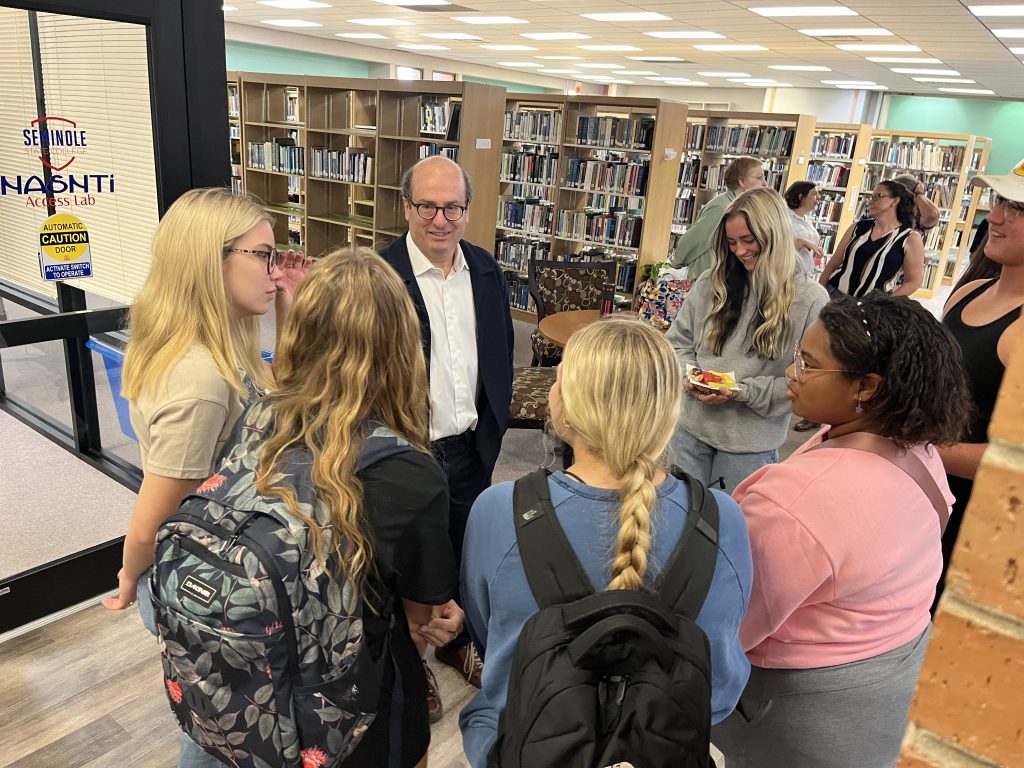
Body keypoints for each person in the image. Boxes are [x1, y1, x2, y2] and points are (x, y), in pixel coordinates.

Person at [459, 318, 753, 767]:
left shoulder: (499, 511)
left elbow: (488, 636)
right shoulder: (722, 519)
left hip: (523, 746)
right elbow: (722, 687)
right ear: (669, 412)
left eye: (559, 379)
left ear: (564, 409)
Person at [713, 293, 971, 768]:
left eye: (808, 365)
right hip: (898, 674)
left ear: (867, 387)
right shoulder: (919, 451)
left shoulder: (795, 502)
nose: (792, 373)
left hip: (806, 713)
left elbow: (731, 624)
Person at [102, 188, 308, 765]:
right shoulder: (198, 379)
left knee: (218, 723)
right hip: (206, 582)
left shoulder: (225, 347)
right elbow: (153, 518)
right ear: (209, 260)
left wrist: (287, 309)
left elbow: (277, 400)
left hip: (221, 568)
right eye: (262, 255)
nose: (275, 270)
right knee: (223, 737)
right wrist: (126, 581)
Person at [248, 247, 461, 768]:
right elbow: (419, 621)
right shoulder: (411, 473)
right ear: (403, 346)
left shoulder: (259, 418)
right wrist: (444, 619)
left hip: (264, 684)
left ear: (302, 334)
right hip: (359, 704)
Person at [379, 155, 515, 716]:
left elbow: (501, 348)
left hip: (469, 445)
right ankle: (408, 664)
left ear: (467, 208)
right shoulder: (380, 274)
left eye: (453, 206)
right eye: (427, 206)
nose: (441, 219)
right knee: (400, 564)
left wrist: (495, 424)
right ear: (406, 207)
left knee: (460, 547)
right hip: (403, 449)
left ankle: (456, 642)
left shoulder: (484, 269)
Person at [666, 187, 829, 492]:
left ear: (775, 235)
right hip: (689, 431)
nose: (739, 251)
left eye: (748, 240)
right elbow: (677, 343)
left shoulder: (809, 299)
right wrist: (689, 375)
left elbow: (807, 380)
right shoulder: (710, 283)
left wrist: (742, 391)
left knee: (729, 531)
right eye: (731, 243)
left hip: (748, 445)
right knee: (680, 522)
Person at [937, 159, 1024, 608]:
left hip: (978, 525)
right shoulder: (967, 293)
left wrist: (917, 447)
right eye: (998, 202)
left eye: (1017, 209)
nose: (995, 216)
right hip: (924, 500)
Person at [819, 179, 926, 297]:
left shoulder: (910, 238)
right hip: (834, 295)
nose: (870, 201)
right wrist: (820, 291)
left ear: (895, 201)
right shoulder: (858, 227)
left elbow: (913, 282)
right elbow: (833, 263)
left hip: (872, 306)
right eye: (871, 197)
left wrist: (883, 302)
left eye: (878, 196)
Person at [672, 155, 766, 279]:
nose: (764, 183)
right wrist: (675, 265)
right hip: (707, 281)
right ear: (741, 182)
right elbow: (691, 241)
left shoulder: (740, 206)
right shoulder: (722, 207)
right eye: (759, 177)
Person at [784, 180, 825, 279]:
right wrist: (802, 242)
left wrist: (817, 252)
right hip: (788, 275)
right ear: (801, 197)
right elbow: (780, 246)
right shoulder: (784, 217)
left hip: (807, 274)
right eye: (814, 194)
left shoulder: (807, 219)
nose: (818, 198)